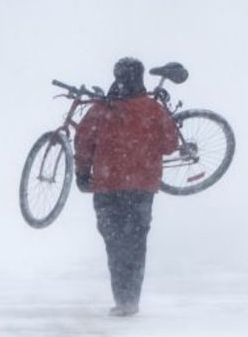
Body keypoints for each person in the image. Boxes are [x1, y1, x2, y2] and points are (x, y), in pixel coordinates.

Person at [73, 57, 180, 317]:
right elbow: (170, 145)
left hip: (107, 187)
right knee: (135, 242)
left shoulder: (101, 108)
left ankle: (123, 300)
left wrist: (82, 174)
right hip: (141, 188)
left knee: (115, 243)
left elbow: (83, 142)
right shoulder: (153, 109)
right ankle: (130, 301)